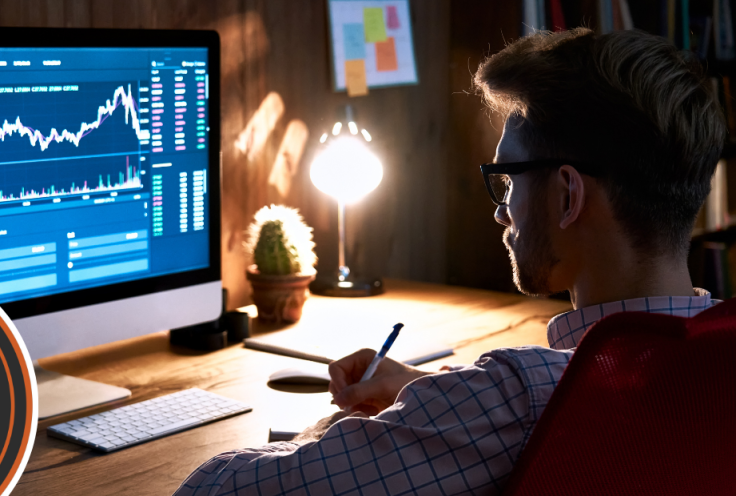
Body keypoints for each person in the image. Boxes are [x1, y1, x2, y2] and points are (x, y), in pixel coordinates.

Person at [174, 27, 725, 495]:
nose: (502, 214)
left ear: (567, 197)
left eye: (507, 179)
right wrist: (428, 395)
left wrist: (333, 428)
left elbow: (210, 488)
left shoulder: (516, 395)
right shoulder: (714, 357)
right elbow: (580, 402)